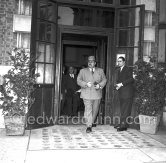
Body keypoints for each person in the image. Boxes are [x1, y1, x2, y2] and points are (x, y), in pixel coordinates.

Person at [77, 56, 107, 133]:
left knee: (95, 110)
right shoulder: (82, 71)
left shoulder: (100, 71)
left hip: (97, 94)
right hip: (86, 94)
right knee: (88, 109)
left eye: (92, 61)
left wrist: (99, 85)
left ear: (95, 63)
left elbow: (104, 80)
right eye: (89, 61)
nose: (90, 63)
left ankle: (91, 121)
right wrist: (86, 84)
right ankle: (89, 126)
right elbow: (78, 80)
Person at [115, 57, 135, 131]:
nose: (118, 62)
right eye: (118, 61)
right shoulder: (119, 70)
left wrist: (121, 84)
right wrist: (118, 86)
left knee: (126, 109)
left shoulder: (128, 69)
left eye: (120, 61)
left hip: (127, 93)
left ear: (124, 62)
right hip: (122, 92)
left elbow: (131, 79)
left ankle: (124, 126)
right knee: (123, 109)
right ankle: (122, 123)